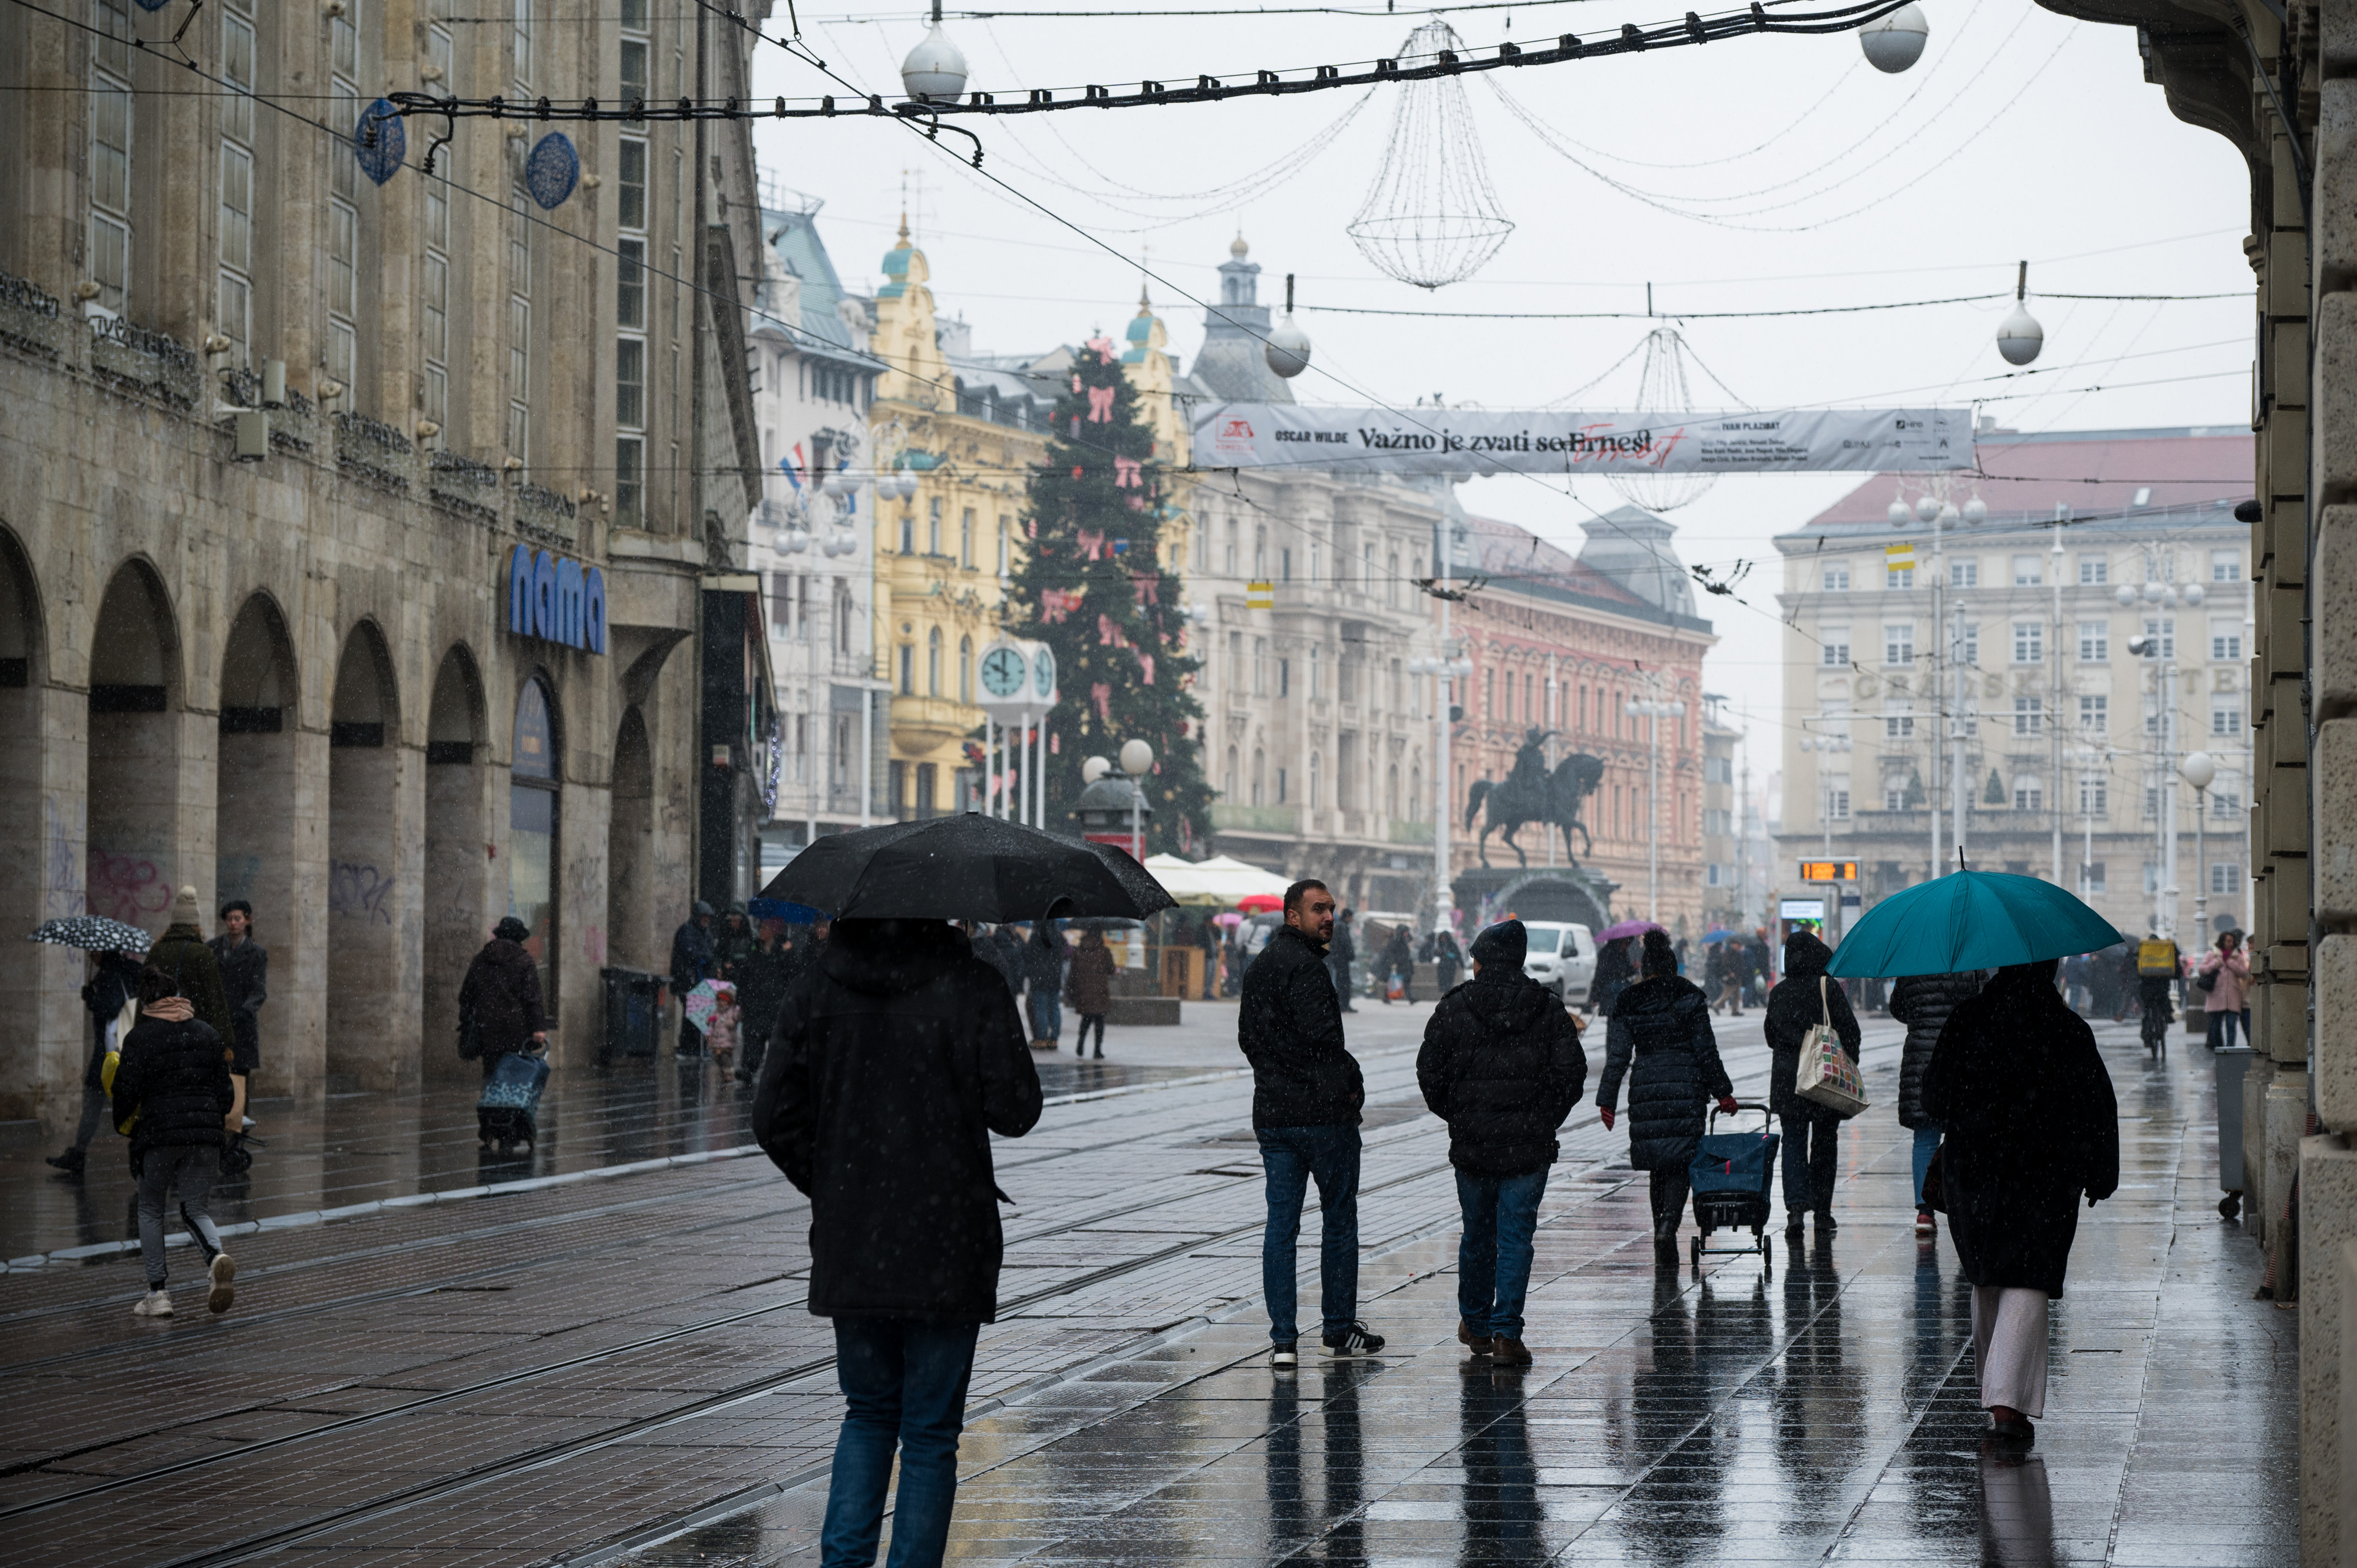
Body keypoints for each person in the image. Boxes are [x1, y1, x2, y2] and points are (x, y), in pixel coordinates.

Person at [754, 916, 1041, 1568]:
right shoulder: (973, 985)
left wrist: (833, 1184)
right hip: (947, 1238)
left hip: (856, 1241)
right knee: (930, 1432)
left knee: (868, 1413)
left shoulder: (817, 985)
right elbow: (1017, 1109)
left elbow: (772, 1115)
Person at [1921, 959, 2120, 1447]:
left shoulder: (1969, 1017)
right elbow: (2098, 1105)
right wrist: (2101, 1172)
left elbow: (1932, 1095)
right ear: (2050, 971)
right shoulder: (2067, 1027)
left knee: (1988, 1274)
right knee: (2029, 1276)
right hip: (2045, 1173)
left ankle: (2001, 1398)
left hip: (1975, 1170)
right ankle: (2007, 1405)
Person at [1417, 919, 1586, 1368]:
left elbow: (1429, 1072)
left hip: (1473, 1144)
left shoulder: (1455, 1007)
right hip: (1528, 1146)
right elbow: (1572, 1074)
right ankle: (1507, 1334)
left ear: (1479, 960)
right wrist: (1543, 1118)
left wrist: (1459, 1115)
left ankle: (1475, 1323)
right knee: (1515, 1237)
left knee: (1477, 1234)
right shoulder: (1547, 1008)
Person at [1240, 878, 1383, 1366]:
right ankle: (1338, 1329)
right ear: (1292, 916)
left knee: (1281, 1227)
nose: (1330, 917)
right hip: (1322, 1119)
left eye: (1333, 909)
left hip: (1275, 1118)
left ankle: (1283, 1341)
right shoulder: (1310, 970)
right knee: (1338, 1220)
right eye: (1319, 909)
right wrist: (1349, 1080)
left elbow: (1248, 1039)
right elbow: (1324, 1043)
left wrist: (1277, 1075)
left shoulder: (1259, 967)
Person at [1596, 930, 1736, 1252]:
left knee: (1657, 1162)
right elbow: (1706, 1052)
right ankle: (1669, 1224)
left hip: (1646, 1087)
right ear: (1674, 967)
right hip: (1686, 1086)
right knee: (1681, 1159)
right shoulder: (1689, 995)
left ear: (1644, 969)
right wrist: (1723, 1092)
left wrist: (1607, 1099)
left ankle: (1660, 1221)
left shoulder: (1629, 1000)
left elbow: (1617, 1055)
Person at [113, 960, 239, 1317]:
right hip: (205, 1135)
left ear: (147, 1003)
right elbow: (225, 1094)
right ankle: (216, 1258)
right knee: (195, 1208)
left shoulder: (138, 1038)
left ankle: (158, 1294)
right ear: (178, 997)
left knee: (151, 1207)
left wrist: (122, 1122)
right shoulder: (207, 1033)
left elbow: (125, 1092)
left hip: (158, 1136)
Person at [1763, 929, 1860, 1239]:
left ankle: (1794, 1211)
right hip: (1823, 1079)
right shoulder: (1826, 988)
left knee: (1792, 1143)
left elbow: (1770, 1036)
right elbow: (1851, 1031)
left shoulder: (1779, 992)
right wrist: (1847, 1061)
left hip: (1789, 1083)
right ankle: (1822, 1213)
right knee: (1824, 1144)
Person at [1888, 969, 1985, 1239]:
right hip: (1960, 1054)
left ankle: (1925, 1212)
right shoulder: (1969, 962)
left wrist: (1922, 1017)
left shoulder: (1914, 962)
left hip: (1922, 1057)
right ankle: (1962, 1206)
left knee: (1925, 1137)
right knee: (1962, 1136)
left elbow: (1898, 1008)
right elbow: (1982, 1002)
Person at [47, 946, 143, 1174]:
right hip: (132, 1047)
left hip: (109, 1050)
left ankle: (79, 1153)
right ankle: (143, 1151)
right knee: (136, 1103)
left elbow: (110, 1008)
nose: (91, 955)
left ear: (105, 951)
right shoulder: (132, 969)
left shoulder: (111, 973)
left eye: (94, 951)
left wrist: (91, 997)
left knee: (94, 1098)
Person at [458, 916, 547, 1083]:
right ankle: (509, 1104)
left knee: (491, 1070)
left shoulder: (481, 959)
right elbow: (533, 998)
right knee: (515, 1071)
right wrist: (538, 1028)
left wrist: (468, 1019)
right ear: (519, 938)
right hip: (517, 1030)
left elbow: (466, 995)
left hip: (486, 1029)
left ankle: (490, 1103)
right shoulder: (524, 961)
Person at [209, 899, 268, 1138]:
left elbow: (259, 990)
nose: (233, 924)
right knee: (217, 1077)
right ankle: (217, 1128)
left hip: (242, 1027)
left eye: (238, 919)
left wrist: (244, 1011)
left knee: (240, 1081)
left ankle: (237, 1134)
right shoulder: (212, 948)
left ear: (247, 920)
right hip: (218, 1024)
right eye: (229, 919)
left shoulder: (256, 953)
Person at [148, 886, 233, 1045]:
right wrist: (224, 1040)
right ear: (196, 925)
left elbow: (144, 995)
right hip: (193, 1035)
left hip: (157, 1034)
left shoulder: (156, 951)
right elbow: (214, 1000)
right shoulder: (202, 953)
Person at [733, 917, 797, 1084]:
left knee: (776, 1041)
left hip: (775, 1005)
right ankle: (748, 1068)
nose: (762, 931)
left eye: (765, 928)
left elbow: (793, 974)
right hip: (755, 1005)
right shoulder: (755, 951)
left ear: (774, 932)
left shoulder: (783, 951)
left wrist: (788, 953)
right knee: (753, 1039)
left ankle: (778, 1071)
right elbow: (745, 976)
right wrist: (742, 1001)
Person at [669, 900, 719, 1057]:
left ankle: (695, 1047)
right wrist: (705, 958)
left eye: (708, 917)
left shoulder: (705, 933)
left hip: (698, 981)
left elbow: (710, 952)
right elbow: (690, 953)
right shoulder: (687, 931)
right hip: (687, 980)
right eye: (704, 917)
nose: (707, 920)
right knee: (692, 1012)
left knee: (697, 1012)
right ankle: (689, 1047)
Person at [1066, 926, 1116, 1058]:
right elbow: (1111, 969)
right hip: (1100, 991)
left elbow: (1073, 973)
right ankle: (1097, 1050)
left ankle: (1081, 1042)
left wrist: (1071, 990)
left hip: (1084, 991)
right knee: (1099, 1021)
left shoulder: (1078, 951)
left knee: (1086, 1018)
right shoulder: (1104, 951)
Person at [2197, 931, 2252, 1050]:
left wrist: (2232, 965)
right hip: (2216, 997)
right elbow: (2202, 969)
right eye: (2227, 941)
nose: (2230, 944)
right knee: (2215, 1026)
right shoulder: (2212, 954)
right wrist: (2216, 963)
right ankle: (2219, 1049)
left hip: (2233, 997)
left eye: (2232, 941)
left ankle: (2230, 1049)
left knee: (2231, 1025)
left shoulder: (2238, 957)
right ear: (2222, 941)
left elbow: (2245, 974)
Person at [1022, 917, 1069, 1049]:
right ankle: (1054, 1039)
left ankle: (1041, 1038)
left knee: (1040, 1007)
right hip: (1054, 977)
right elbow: (1062, 955)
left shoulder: (1036, 936)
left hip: (1039, 978)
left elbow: (1028, 955)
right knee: (1054, 1007)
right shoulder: (1059, 936)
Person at [1588, 934, 1633, 1017]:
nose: (1626, 946)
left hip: (1616, 993)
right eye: (1625, 943)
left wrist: (1633, 968)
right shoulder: (1607, 953)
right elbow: (1600, 974)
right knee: (1613, 1018)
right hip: (1609, 992)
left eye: (1628, 943)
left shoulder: (1623, 954)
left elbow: (1625, 972)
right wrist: (1595, 995)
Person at [1328, 907, 1359, 1012]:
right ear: (1348, 917)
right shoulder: (1343, 928)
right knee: (1344, 983)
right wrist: (1351, 955)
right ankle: (1344, 1004)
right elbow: (1346, 944)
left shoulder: (1339, 927)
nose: (1352, 919)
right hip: (1342, 960)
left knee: (1342, 982)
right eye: (1351, 917)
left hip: (1339, 959)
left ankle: (1343, 1004)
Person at [1382, 924, 1417, 1005]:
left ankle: (1411, 998)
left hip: (1404, 964)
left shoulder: (1404, 940)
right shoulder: (1396, 941)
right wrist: (1393, 962)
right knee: (1398, 981)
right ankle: (1410, 998)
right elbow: (1391, 953)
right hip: (1399, 964)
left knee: (1403, 981)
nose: (1407, 934)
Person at [1432, 929, 1464, 993]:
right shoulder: (1440, 945)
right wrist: (1440, 952)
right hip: (1442, 966)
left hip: (1450, 966)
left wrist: (1461, 964)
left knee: (1449, 982)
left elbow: (1457, 955)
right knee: (1442, 981)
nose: (1443, 938)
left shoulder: (1452, 945)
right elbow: (1435, 953)